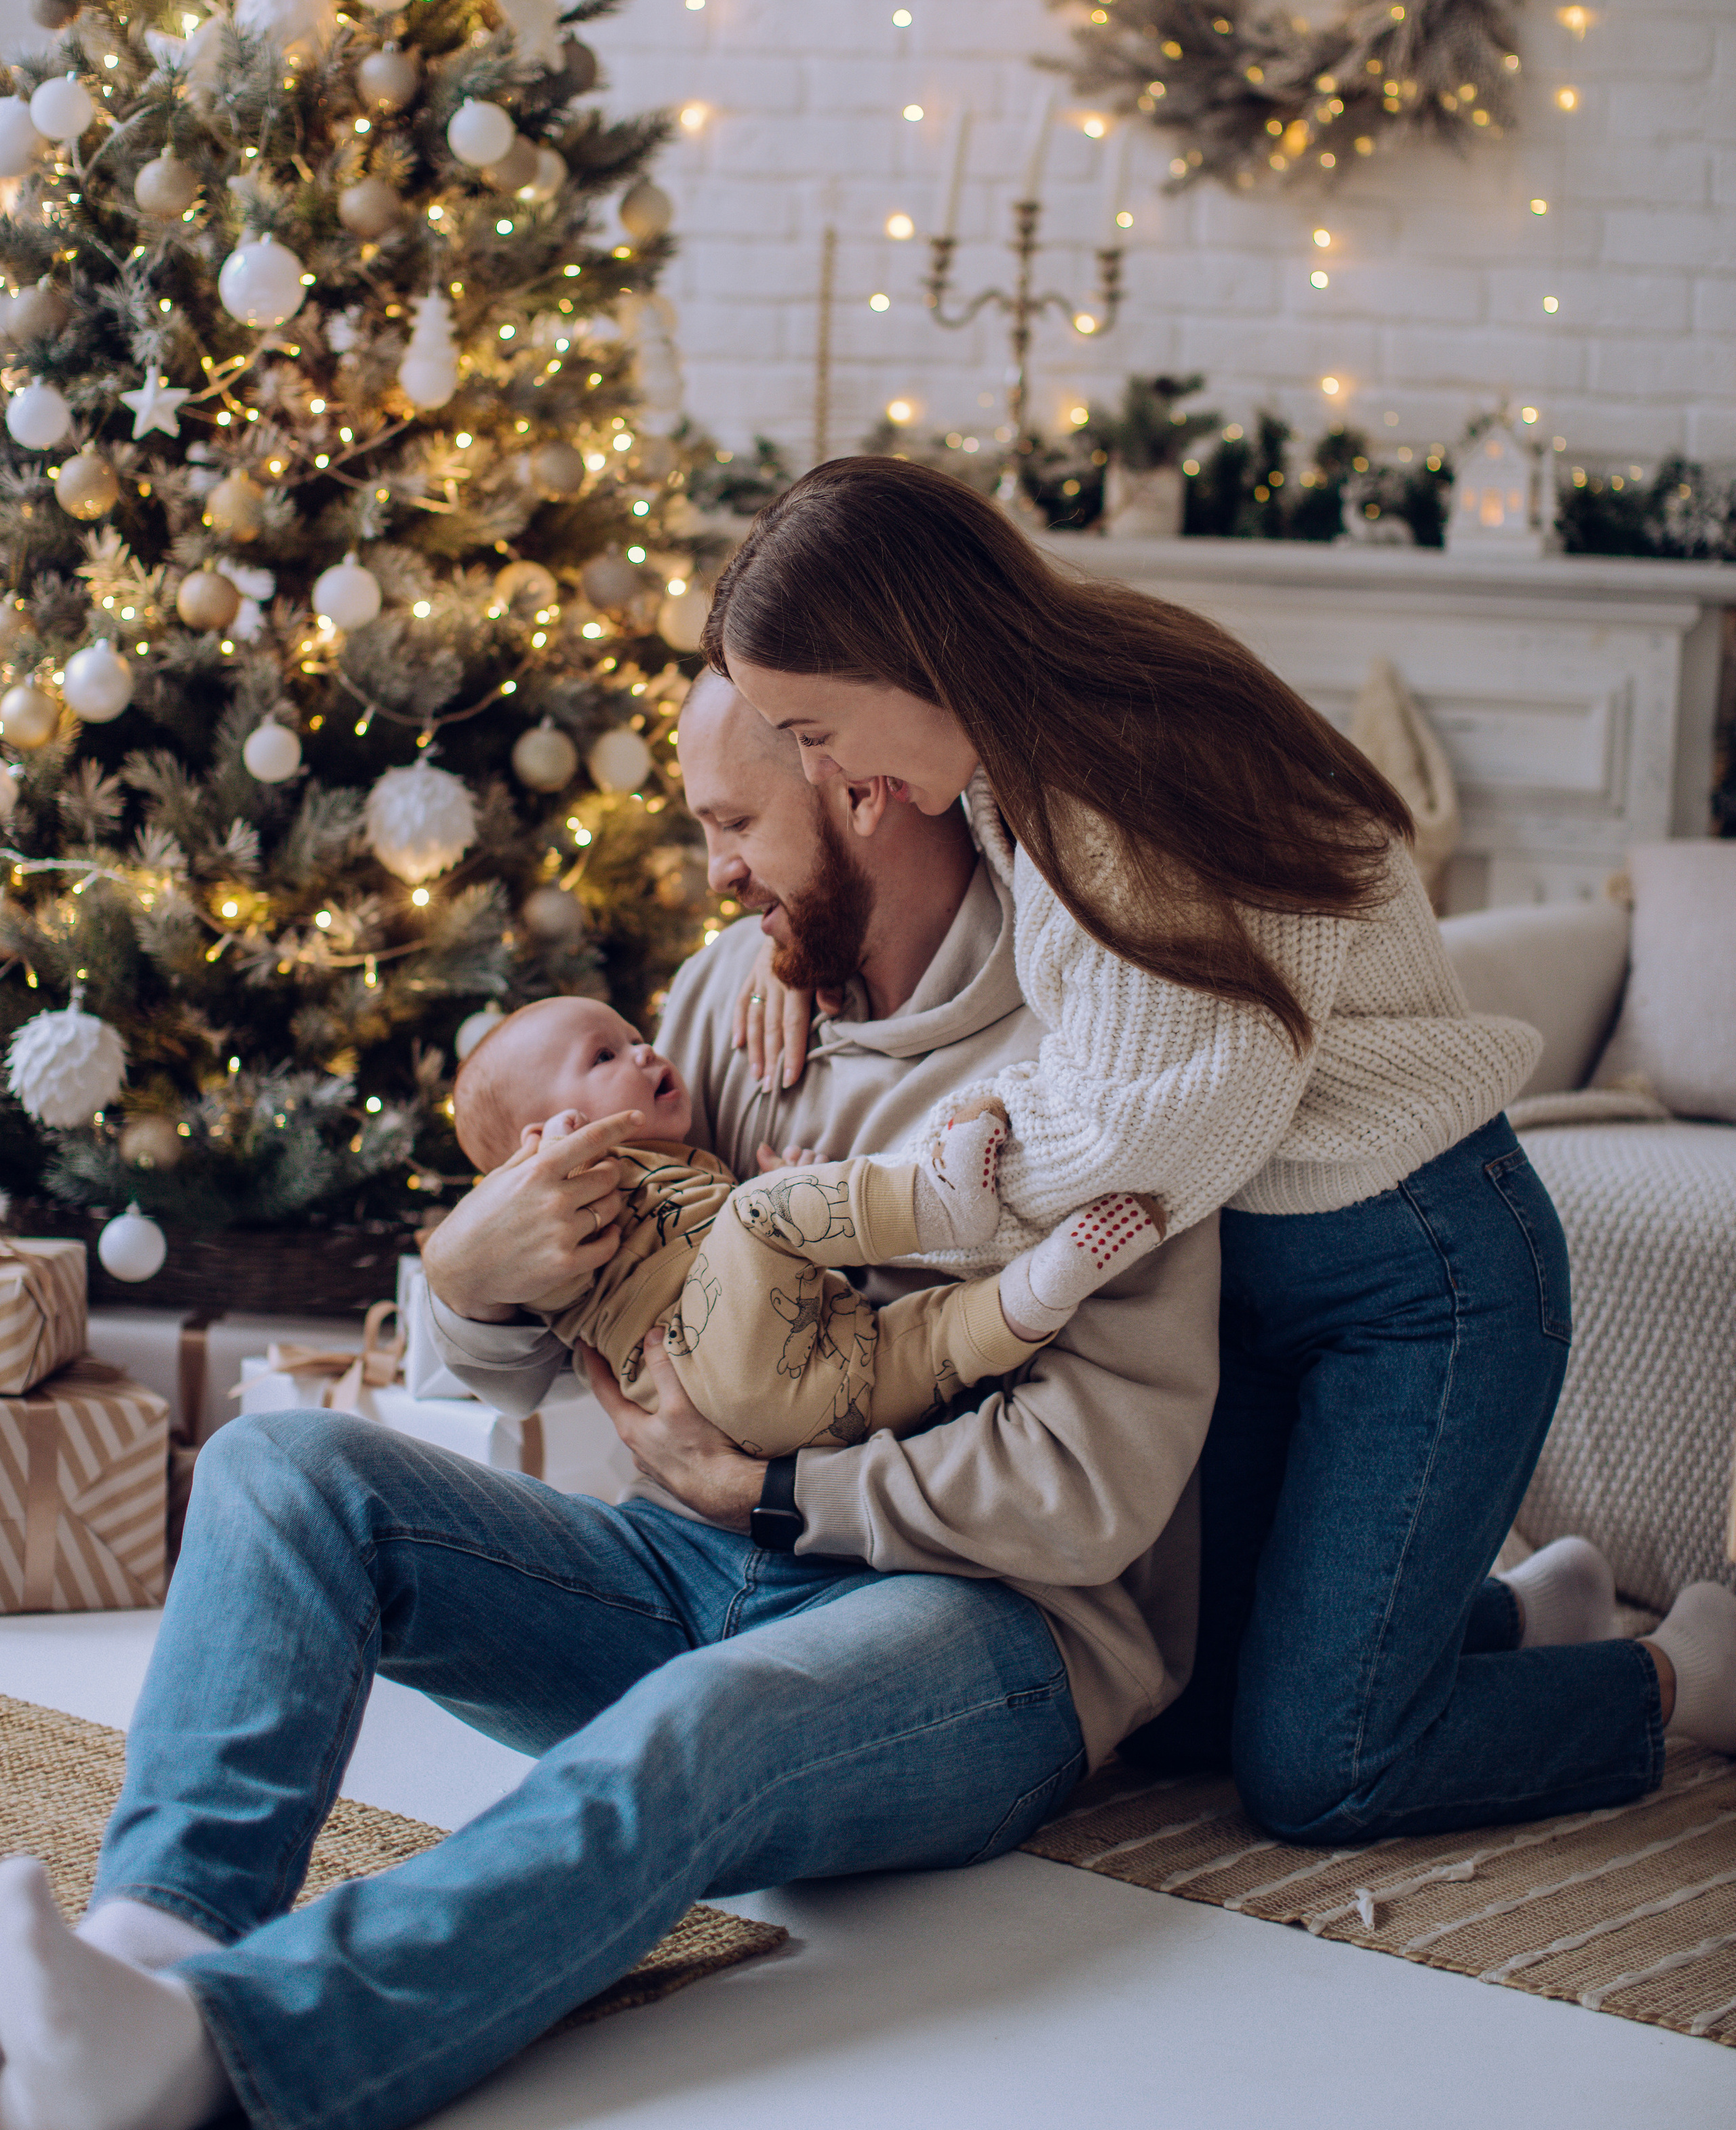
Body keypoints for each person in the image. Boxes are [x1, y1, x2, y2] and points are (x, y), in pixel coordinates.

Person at [0, 675, 1218, 2130]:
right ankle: (157, 1941)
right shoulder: (728, 991)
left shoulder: (1101, 1059)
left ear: (858, 786)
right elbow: (545, 1344)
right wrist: (463, 1273)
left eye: (731, 823)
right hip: (680, 1566)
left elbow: (1092, 1498)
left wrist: (778, 1497)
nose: (712, 871)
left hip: (977, 1628)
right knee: (279, 1467)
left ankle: (222, 2052)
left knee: (696, 1723)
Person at [707, 452, 1736, 1843]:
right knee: (1186, 1712)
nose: (826, 777)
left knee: (1327, 1771)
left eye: (812, 728)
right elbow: (1052, 997)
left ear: (910, 652)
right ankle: (1515, 1615)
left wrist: (893, 1200)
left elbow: (1159, 1119)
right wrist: (792, 943)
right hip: (1256, 1280)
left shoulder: (1127, 763)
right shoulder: (1019, 768)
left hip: (1417, 1278)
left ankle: (1677, 1677)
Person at [448, 992, 1163, 1452]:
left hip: (798, 1411)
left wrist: (792, 1202)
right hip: (704, 1382)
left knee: (912, 1346)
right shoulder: (579, 1197)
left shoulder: (683, 1165)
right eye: (603, 1056)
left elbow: (723, 1263)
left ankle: (1032, 1294)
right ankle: (941, 1204)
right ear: (547, 1142)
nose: (645, 1050)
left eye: (633, 1033)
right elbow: (556, 1289)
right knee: (760, 1214)